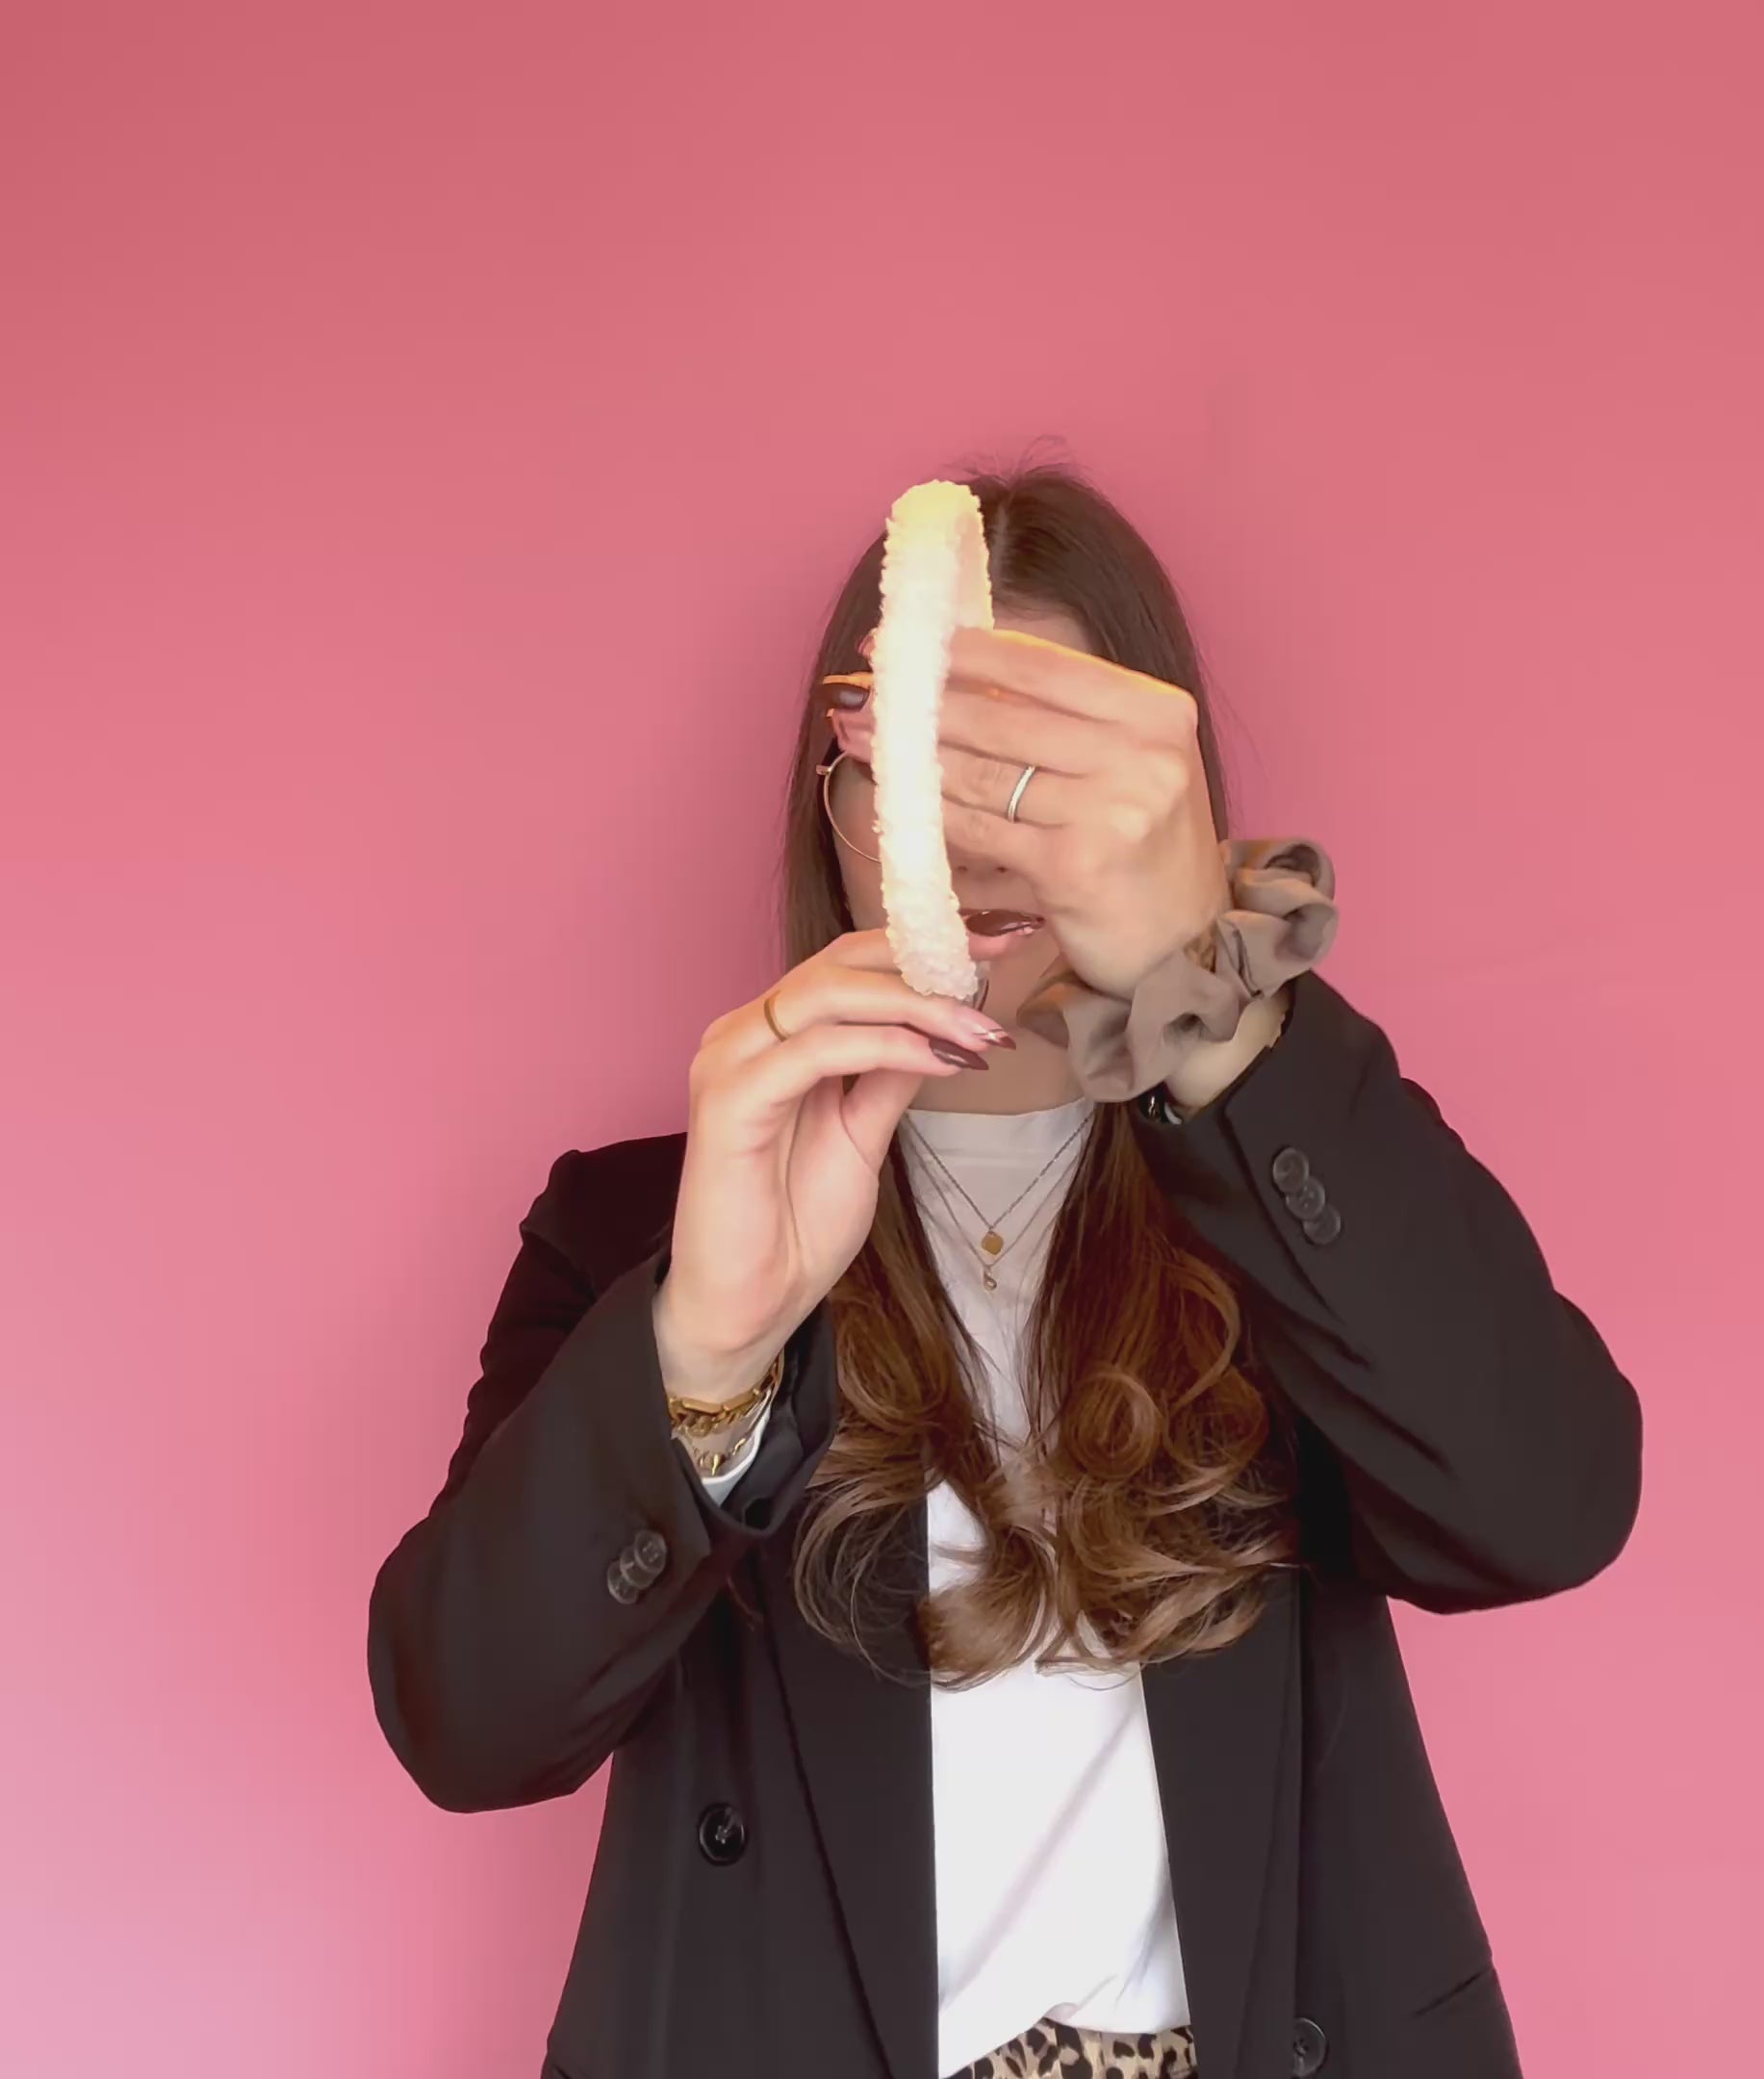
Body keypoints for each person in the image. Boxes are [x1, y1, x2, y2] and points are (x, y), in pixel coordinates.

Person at [367, 463, 1644, 2079]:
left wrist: (1216, 1015)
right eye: (916, 756)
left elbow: (1546, 1503)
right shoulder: (641, 1228)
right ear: (833, 805)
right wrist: (709, 1347)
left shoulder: (1276, 1176)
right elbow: (468, 1725)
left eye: (1038, 769)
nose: (976, 830)